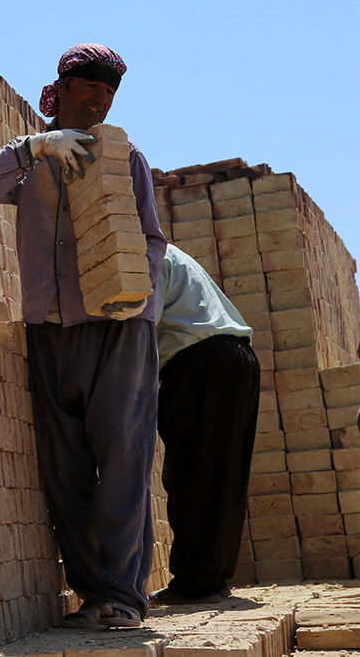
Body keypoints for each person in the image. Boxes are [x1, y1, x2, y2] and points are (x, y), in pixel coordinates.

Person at [0, 43, 167, 629]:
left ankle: (125, 597)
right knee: (65, 466)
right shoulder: (28, 161)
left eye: (110, 93)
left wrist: (132, 286)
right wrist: (31, 147)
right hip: (50, 327)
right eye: (91, 90)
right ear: (65, 87)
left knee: (123, 457)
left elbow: (152, 239)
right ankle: (92, 594)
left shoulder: (126, 157)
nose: (101, 101)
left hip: (119, 327)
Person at [150, 244, 260, 605]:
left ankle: (197, 584)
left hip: (202, 362)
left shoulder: (147, 253)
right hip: (237, 358)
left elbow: (141, 327)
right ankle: (211, 578)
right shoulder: (172, 253)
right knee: (224, 476)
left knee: (191, 472)